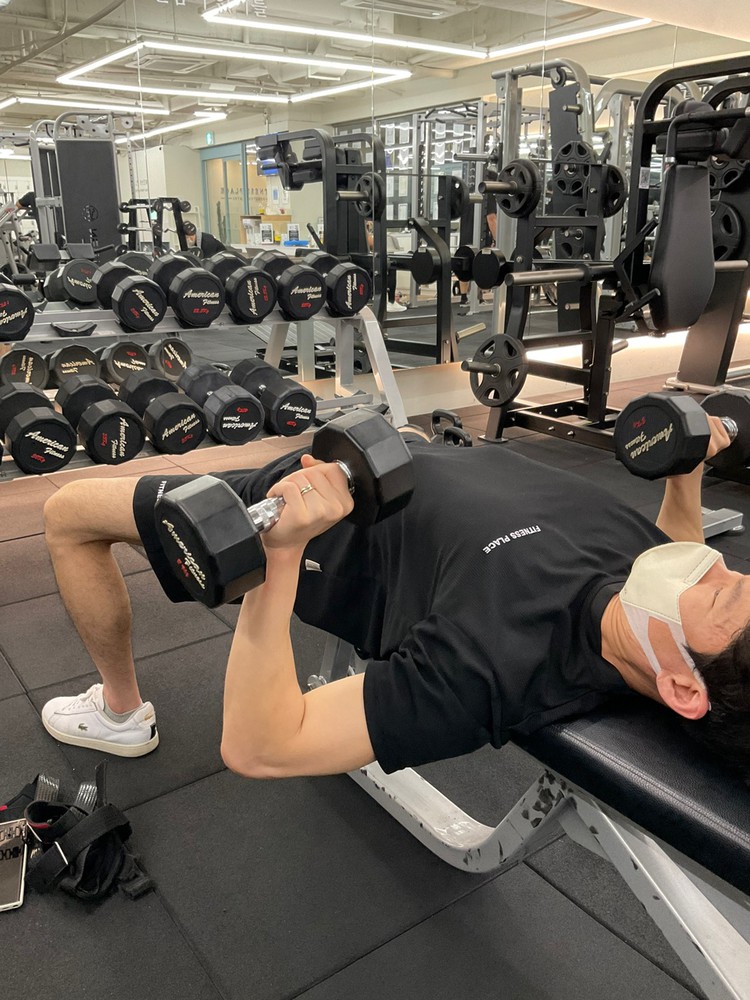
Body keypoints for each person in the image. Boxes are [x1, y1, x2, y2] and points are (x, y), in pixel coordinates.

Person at [40, 417, 750, 785]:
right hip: (396, 454)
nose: (712, 568)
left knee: (68, 513)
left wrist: (281, 555)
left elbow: (259, 747)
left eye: (720, 595)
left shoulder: (498, 664)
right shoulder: (655, 584)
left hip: (319, 508)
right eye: (735, 575)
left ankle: (120, 713)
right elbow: (682, 551)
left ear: (682, 687)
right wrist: (685, 476)